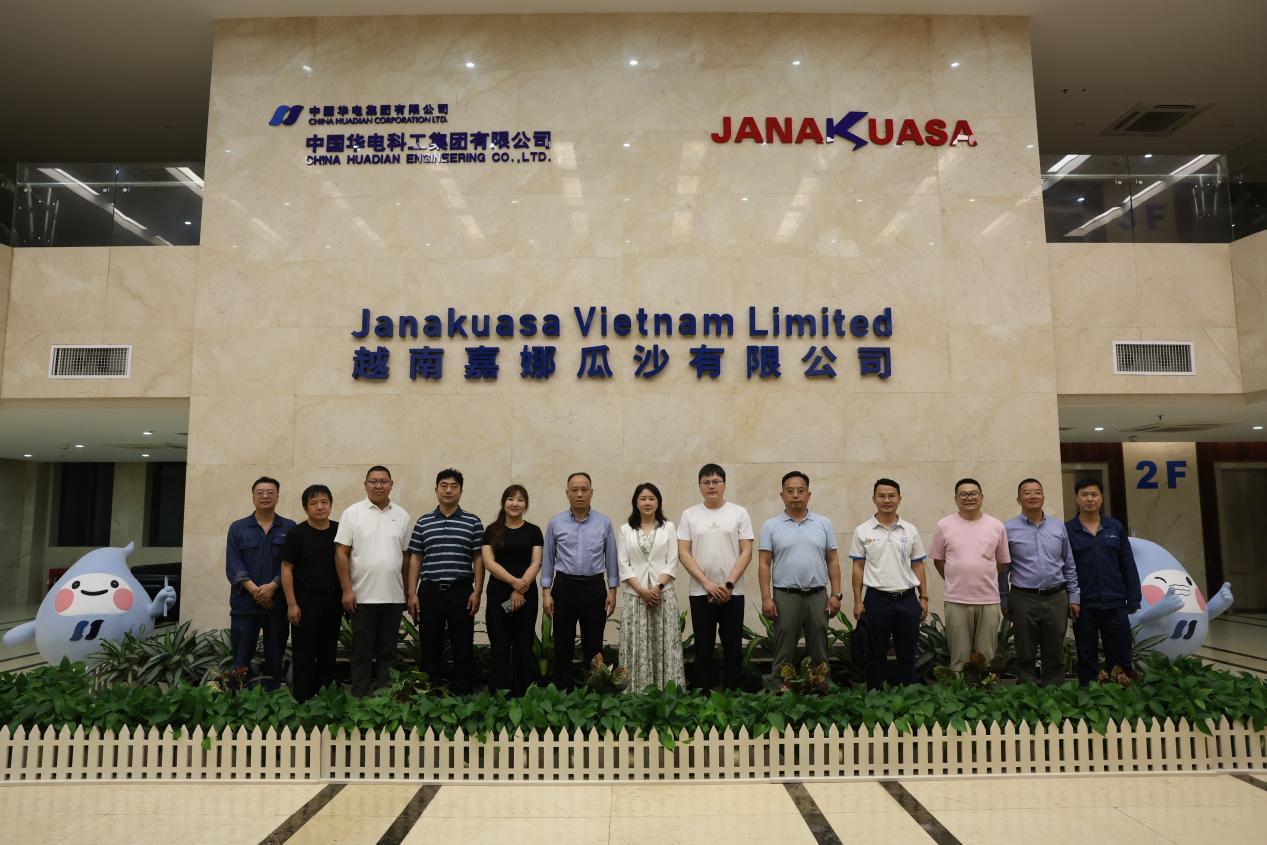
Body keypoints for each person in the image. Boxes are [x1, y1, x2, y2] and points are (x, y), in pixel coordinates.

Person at [334, 465, 412, 697]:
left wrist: (408, 591)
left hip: (393, 597)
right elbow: (341, 553)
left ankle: (385, 700)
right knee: (361, 653)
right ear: (365, 485)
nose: (378, 485)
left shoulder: (402, 515)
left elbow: (407, 557)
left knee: (388, 652)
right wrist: (347, 590)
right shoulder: (352, 513)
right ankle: (359, 700)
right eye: (373, 481)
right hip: (361, 597)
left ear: (391, 485)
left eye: (383, 481)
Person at [406, 468, 485, 694]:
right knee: (430, 645)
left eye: (454, 486)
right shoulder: (424, 522)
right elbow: (415, 558)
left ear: (461, 491)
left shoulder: (473, 522)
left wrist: (478, 591)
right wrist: (412, 593)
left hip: (462, 591)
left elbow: (479, 558)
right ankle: (431, 694)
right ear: (436, 490)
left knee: (463, 645)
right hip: (430, 591)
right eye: (444, 485)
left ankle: (462, 694)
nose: (448, 490)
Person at [758, 471, 843, 678]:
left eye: (800, 491)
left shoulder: (823, 523)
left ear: (808, 494)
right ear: (782, 495)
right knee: (784, 647)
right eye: (790, 491)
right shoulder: (771, 525)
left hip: (817, 595)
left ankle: (820, 689)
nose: (795, 495)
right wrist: (766, 598)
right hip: (785, 595)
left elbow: (832, 560)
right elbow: (764, 564)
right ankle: (781, 690)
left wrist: (836, 594)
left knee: (819, 647)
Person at [677, 463, 754, 691]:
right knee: (703, 647)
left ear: (724, 485)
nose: (711, 486)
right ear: (700, 486)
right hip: (701, 592)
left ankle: (732, 693)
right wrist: (707, 583)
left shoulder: (739, 513)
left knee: (733, 647)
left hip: (733, 592)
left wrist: (729, 583)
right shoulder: (689, 515)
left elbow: (747, 551)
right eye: (706, 482)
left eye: (716, 482)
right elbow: (683, 553)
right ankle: (705, 694)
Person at [541, 472, 619, 690]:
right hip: (564, 587)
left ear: (591, 493)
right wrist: (546, 592)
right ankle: (563, 691)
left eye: (584, 489)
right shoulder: (556, 523)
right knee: (562, 642)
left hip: (594, 587)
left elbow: (611, 557)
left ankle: (594, 692)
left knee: (594, 644)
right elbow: (548, 559)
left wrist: (613, 590)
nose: (580, 494)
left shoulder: (604, 522)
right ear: (567, 493)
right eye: (574, 490)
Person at [848, 478, 929, 689]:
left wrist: (923, 597)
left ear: (899, 499)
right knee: (876, 654)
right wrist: (858, 601)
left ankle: (909, 696)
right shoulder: (862, 530)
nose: (887, 500)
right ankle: (875, 697)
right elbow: (858, 567)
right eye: (882, 496)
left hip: (907, 599)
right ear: (874, 499)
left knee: (908, 653)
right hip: (876, 599)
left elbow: (918, 565)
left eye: (891, 496)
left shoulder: (910, 530)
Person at [1000, 478, 1081, 686]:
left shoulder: (1058, 526)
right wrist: (1004, 599)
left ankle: (1054, 693)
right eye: (1027, 492)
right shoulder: (1008, 529)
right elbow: (1003, 569)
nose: (1033, 496)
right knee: (1024, 651)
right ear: (1019, 499)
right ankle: (1027, 694)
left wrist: (1074, 597)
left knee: (1055, 651)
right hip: (1023, 597)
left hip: (1057, 597)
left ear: (1043, 497)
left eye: (1037, 492)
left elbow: (1069, 564)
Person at [1067, 478, 1141, 686]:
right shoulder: (1068, 530)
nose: (1089, 499)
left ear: (1101, 498)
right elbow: (1065, 568)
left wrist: (1133, 597)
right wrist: (1070, 599)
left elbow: (1127, 563)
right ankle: (1090, 694)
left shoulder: (1114, 527)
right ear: (1077, 499)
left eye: (1094, 494)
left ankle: (1120, 693)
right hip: (1084, 606)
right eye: (1084, 495)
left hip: (1115, 603)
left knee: (1121, 654)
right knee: (1086, 654)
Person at [931, 478, 1010, 672]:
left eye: (973, 493)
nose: (969, 497)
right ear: (956, 499)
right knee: (959, 657)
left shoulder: (996, 526)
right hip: (956, 599)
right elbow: (939, 560)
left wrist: (984, 576)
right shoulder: (944, 525)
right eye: (963, 494)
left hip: (988, 599)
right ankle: (960, 690)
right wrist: (956, 578)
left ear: (981, 497)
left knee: (986, 657)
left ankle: (984, 689)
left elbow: (1001, 562)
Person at [225, 476, 295, 690]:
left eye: (270, 492)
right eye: (260, 492)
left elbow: (291, 563)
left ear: (278, 496)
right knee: (240, 657)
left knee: (275, 656)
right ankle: (237, 698)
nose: (265, 496)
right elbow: (233, 564)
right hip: (245, 604)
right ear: (253, 496)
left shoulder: (290, 527)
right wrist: (256, 591)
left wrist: (273, 586)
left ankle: (271, 696)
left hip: (276, 604)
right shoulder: (238, 528)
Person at [618, 482, 686, 691]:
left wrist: (657, 587)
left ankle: (668, 690)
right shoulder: (625, 530)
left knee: (665, 643)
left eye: (651, 498)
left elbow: (672, 561)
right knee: (636, 643)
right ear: (636, 502)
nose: (647, 502)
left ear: (658, 502)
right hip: (635, 596)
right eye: (643, 498)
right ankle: (635, 692)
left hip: (663, 595)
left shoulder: (668, 527)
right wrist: (642, 591)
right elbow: (623, 564)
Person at [280, 484, 341, 702]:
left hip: (333, 601)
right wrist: (291, 604)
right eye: (314, 503)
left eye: (324, 502)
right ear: (306, 508)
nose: (320, 507)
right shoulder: (297, 533)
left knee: (328, 653)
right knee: (303, 654)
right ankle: (303, 701)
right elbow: (286, 568)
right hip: (304, 601)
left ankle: (326, 701)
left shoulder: (340, 531)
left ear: (331, 505)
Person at [481, 484, 544, 696]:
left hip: (526, 597)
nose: (514, 503)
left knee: (523, 646)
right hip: (499, 596)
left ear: (526, 504)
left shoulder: (534, 531)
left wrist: (520, 589)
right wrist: (514, 583)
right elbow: (489, 563)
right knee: (500, 645)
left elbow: (536, 562)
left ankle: (523, 695)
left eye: (520, 499)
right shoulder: (491, 531)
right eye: (510, 499)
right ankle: (499, 695)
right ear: (503, 502)